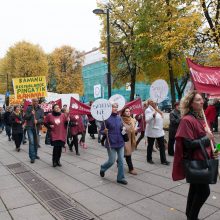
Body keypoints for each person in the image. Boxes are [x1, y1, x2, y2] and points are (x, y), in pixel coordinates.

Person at [172, 91, 214, 220]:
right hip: (196, 161)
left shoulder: (200, 118)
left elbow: (208, 139)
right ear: (190, 103)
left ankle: (189, 214)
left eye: (201, 99)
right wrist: (207, 139)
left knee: (195, 189)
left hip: (203, 158)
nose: (202, 101)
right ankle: (192, 217)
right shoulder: (187, 120)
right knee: (204, 192)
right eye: (197, 100)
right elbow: (188, 144)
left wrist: (215, 148)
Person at [100, 103, 127, 185]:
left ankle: (120, 178)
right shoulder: (106, 119)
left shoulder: (119, 118)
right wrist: (104, 132)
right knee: (111, 161)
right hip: (111, 143)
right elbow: (101, 131)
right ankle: (103, 168)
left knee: (121, 161)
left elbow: (121, 128)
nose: (115, 108)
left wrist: (124, 129)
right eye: (113, 107)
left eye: (116, 107)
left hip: (120, 142)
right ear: (109, 108)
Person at [145, 99, 169, 165]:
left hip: (159, 131)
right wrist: (153, 115)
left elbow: (161, 118)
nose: (153, 103)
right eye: (151, 102)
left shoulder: (157, 109)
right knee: (150, 145)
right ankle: (149, 159)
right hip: (152, 131)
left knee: (162, 146)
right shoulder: (148, 110)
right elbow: (147, 120)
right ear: (149, 104)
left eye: (154, 101)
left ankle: (163, 160)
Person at [24, 98, 44, 163]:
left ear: (38, 102)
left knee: (36, 142)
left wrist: (37, 121)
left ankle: (35, 154)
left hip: (36, 127)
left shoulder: (41, 110)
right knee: (31, 142)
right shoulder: (28, 108)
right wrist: (31, 114)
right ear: (32, 102)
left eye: (36, 101)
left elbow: (42, 119)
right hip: (29, 127)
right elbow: (25, 117)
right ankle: (32, 157)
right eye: (34, 101)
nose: (35, 102)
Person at [121, 107, 137, 175]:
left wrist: (135, 130)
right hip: (125, 139)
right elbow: (120, 131)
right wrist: (123, 130)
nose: (128, 112)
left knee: (125, 153)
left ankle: (118, 160)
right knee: (128, 153)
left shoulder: (132, 120)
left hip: (131, 139)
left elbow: (134, 128)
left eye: (129, 111)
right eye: (126, 111)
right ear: (123, 112)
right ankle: (131, 168)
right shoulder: (121, 120)